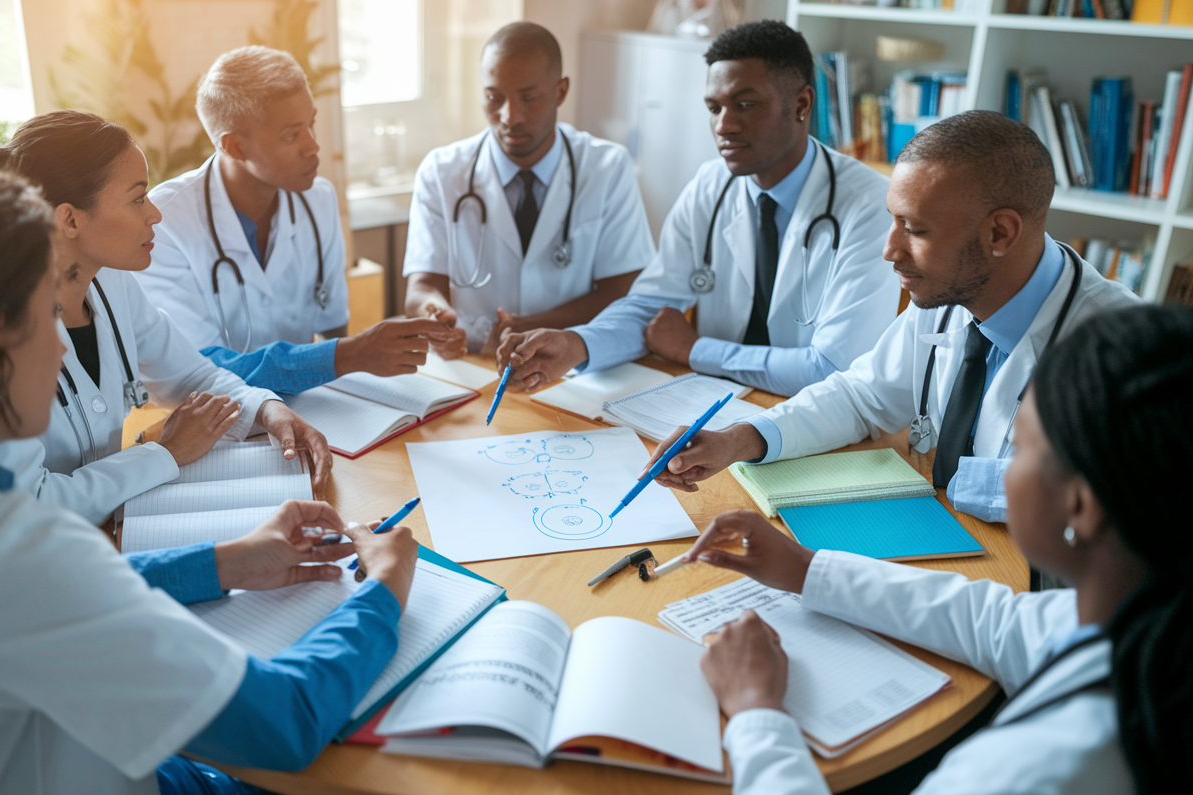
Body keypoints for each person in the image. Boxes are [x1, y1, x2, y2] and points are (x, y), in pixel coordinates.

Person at [0, 165, 421, 795]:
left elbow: (65, 604)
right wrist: (384, 589)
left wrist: (226, 562)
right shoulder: (11, 552)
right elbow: (285, 721)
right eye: (47, 312)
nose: (65, 347)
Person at [687, 303, 1191, 795]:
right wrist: (805, 568)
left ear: (1081, 506)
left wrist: (756, 714)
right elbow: (998, 622)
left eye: (1023, 446)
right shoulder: (1141, 623)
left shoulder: (1030, 774)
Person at [634, 110, 1140, 520]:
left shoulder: (1127, 357)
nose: (889, 250)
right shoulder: (948, 299)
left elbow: (1095, 509)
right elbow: (863, 396)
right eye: (892, 221)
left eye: (914, 230)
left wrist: (969, 480)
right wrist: (740, 439)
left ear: (1000, 234)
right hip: (951, 540)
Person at [497, 21, 901, 396]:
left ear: (801, 105)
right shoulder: (711, 185)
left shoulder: (868, 207)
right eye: (714, 108)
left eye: (745, 104)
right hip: (714, 407)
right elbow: (651, 309)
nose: (724, 125)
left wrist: (694, 349)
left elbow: (831, 369)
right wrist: (577, 343)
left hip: (822, 428)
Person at [0, 110, 332, 526]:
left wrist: (268, 410)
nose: (155, 213)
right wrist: (166, 453)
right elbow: (30, 502)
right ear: (70, 219)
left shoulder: (109, 282)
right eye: (138, 197)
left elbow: (196, 378)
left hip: (105, 533)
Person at [139, 46, 453, 394]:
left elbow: (334, 329)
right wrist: (351, 354)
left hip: (307, 410)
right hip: (213, 424)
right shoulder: (163, 221)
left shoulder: (318, 198)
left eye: (311, 125)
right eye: (291, 135)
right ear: (234, 147)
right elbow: (199, 374)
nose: (313, 146)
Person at [402, 22, 655, 357]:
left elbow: (624, 289)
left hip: (572, 366)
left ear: (560, 91)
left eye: (528, 97)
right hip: (475, 361)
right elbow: (423, 286)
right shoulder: (441, 171)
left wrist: (532, 328)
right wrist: (434, 316)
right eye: (494, 97)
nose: (510, 116)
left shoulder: (608, 168)